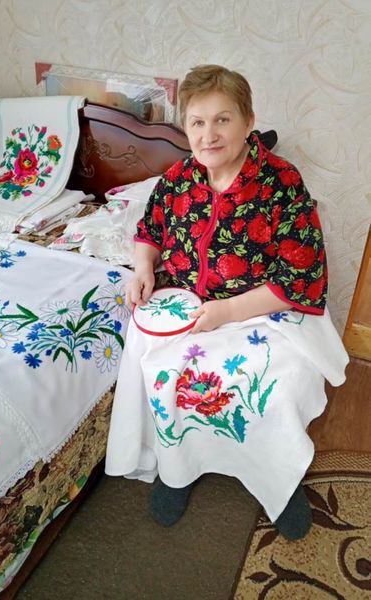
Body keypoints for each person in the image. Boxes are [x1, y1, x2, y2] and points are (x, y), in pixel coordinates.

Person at [105, 65, 348, 540]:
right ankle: (177, 470)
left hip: (267, 309)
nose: (209, 134)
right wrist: (143, 267)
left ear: (247, 121)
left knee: (269, 387)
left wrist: (227, 312)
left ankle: (280, 479)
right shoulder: (178, 178)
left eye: (222, 119)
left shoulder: (281, 182)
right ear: (186, 127)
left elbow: (302, 275)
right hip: (189, 307)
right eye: (197, 122)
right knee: (166, 375)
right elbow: (149, 230)